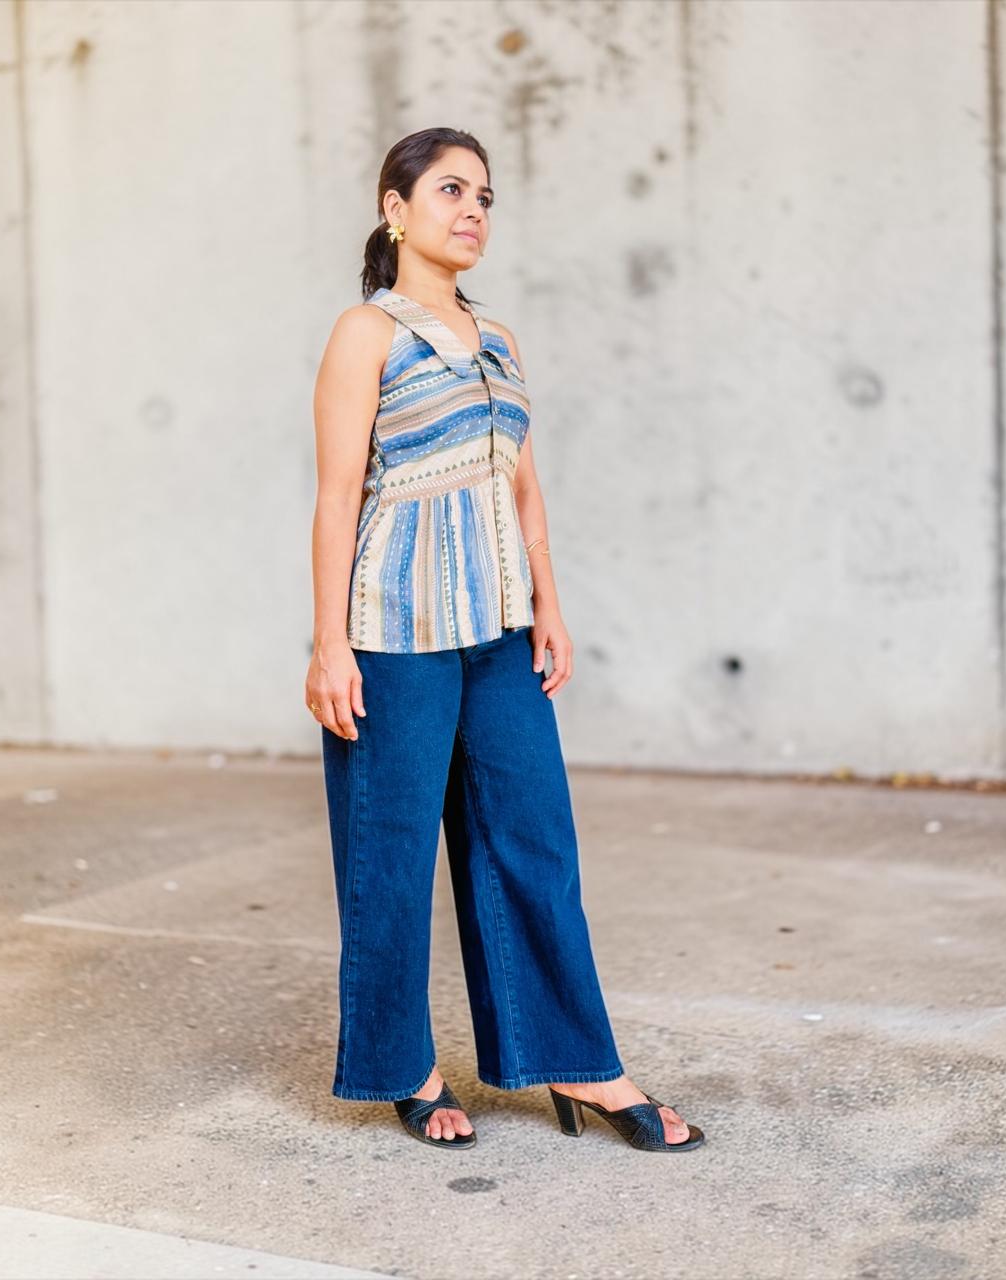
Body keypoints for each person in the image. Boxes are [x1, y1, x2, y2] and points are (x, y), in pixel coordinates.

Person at [305, 127, 703, 1154]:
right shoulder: (367, 331)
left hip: (497, 628)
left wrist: (550, 605)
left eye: (485, 193)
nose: (473, 208)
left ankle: (575, 1058)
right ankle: (407, 1065)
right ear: (392, 207)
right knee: (388, 855)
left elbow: (523, 491)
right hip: (392, 632)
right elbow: (336, 496)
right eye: (448, 189)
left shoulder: (498, 339)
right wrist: (327, 643)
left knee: (532, 839)